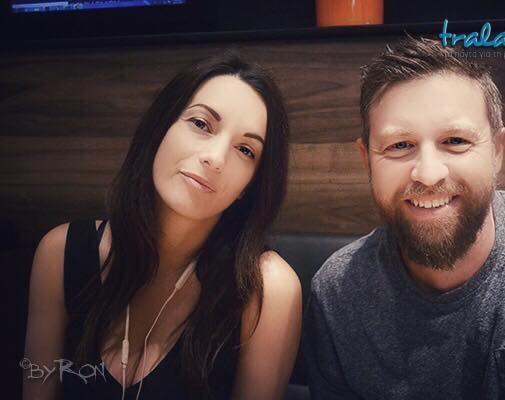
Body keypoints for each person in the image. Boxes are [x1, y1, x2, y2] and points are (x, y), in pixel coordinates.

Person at [304, 37, 505, 399]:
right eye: (399, 145)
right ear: (367, 160)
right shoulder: (338, 294)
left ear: (497, 151)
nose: (428, 174)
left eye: (456, 141)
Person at [23, 53, 302, 400]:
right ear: (161, 128)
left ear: (250, 184)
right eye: (201, 124)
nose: (215, 158)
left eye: (245, 150)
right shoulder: (61, 254)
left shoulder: (266, 289)